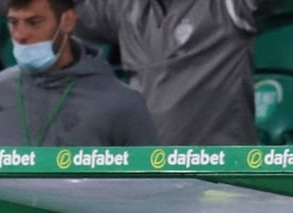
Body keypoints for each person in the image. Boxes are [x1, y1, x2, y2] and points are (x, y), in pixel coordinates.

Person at [74, 0, 262, 145]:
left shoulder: (227, 6)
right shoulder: (127, 9)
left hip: (219, 168)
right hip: (150, 168)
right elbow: (69, 13)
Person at [0, 0, 157, 146]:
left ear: (67, 21)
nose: (20, 35)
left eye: (34, 22)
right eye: (13, 22)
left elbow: (147, 174)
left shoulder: (121, 102)